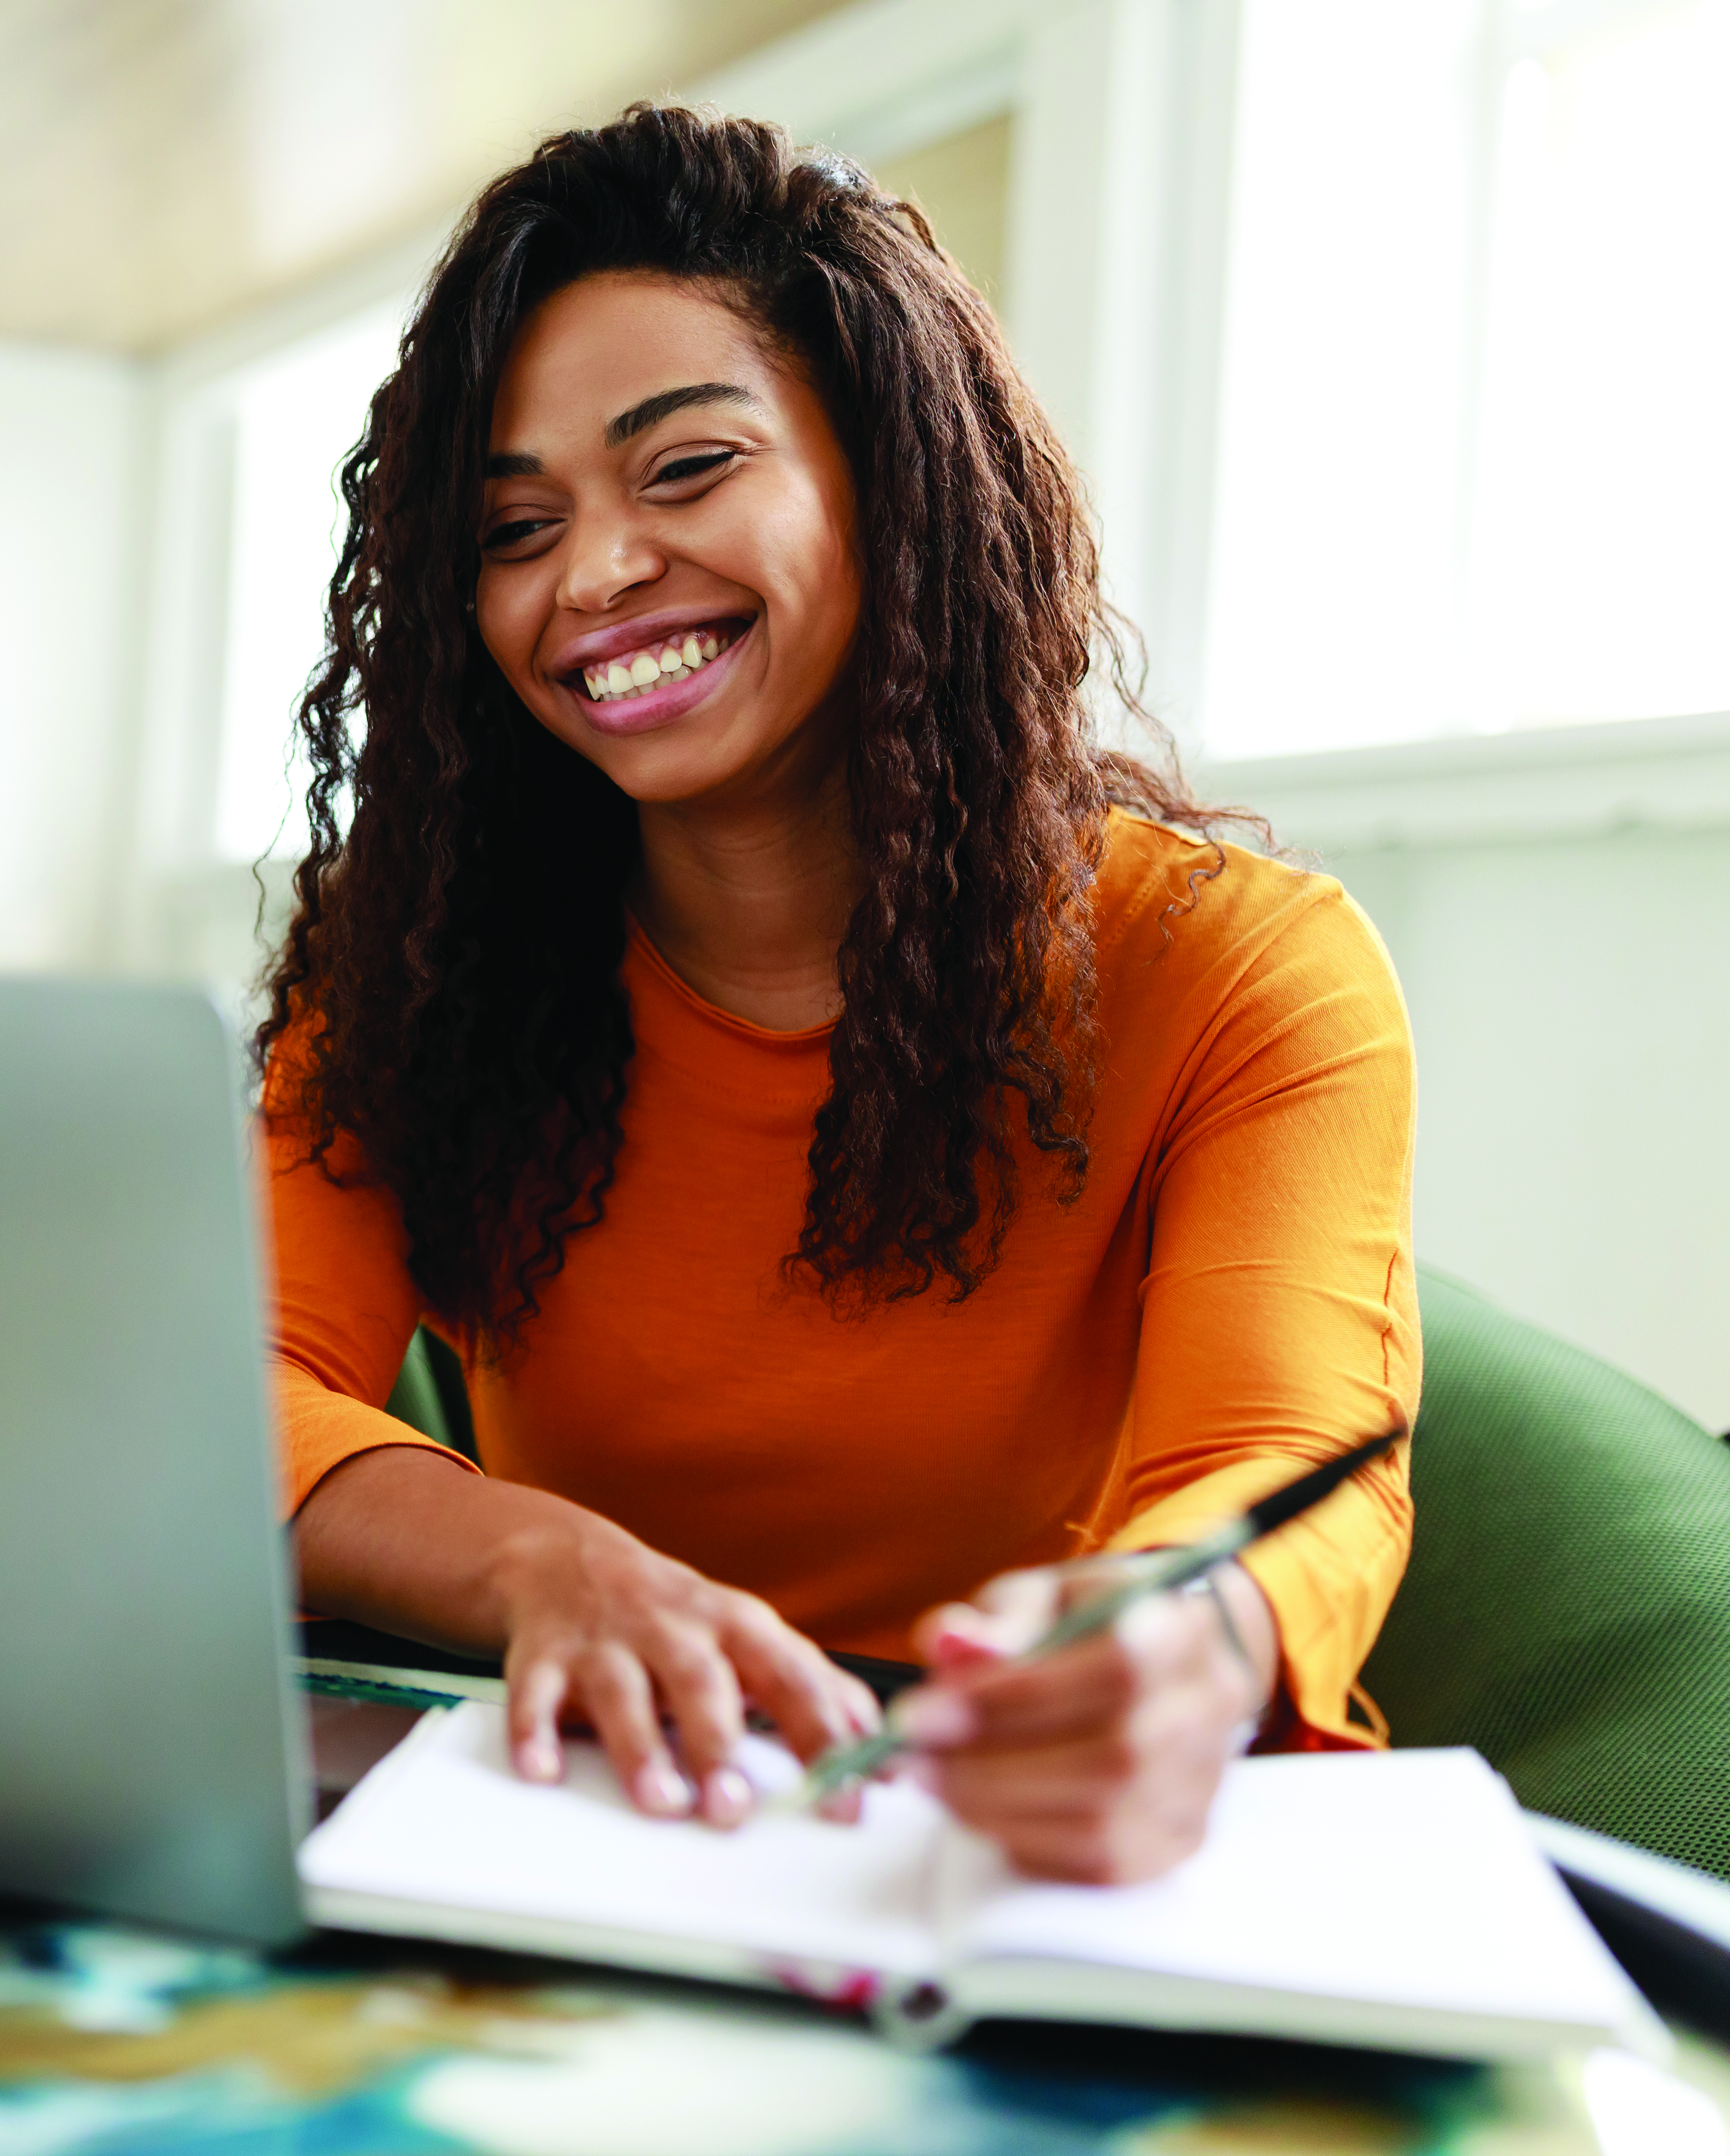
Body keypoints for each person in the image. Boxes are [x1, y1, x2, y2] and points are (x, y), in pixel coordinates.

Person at [262, 105, 1416, 1885]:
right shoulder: (417, 965)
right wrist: (544, 1562)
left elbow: (1285, 1464)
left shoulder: (1245, 969)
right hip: (586, 1832)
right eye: (512, 526)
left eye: (687, 467)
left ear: (893, 471)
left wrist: (1188, 1647)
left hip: (1011, 1864)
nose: (594, 577)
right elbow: (233, 1386)